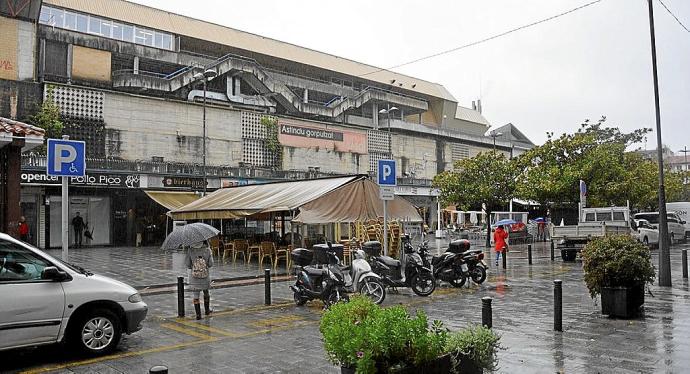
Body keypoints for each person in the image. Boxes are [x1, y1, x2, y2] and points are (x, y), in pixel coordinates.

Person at [185, 240, 214, 320]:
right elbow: (211, 263)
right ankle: (207, 310)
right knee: (206, 292)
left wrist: (194, 266)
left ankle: (198, 315)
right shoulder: (207, 250)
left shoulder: (190, 250)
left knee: (196, 296)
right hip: (205, 276)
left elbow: (187, 264)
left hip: (194, 277)